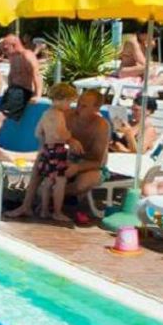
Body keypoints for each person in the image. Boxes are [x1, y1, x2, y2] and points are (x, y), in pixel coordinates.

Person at [17, 83, 79, 219]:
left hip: (46, 149)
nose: (69, 106)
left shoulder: (46, 113)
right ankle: (57, 212)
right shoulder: (58, 115)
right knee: (60, 181)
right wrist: (69, 135)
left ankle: (44, 210)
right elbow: (59, 135)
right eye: (70, 102)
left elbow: (38, 133)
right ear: (63, 99)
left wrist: (45, 142)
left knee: (48, 181)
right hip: (57, 150)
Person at [60, 88, 113, 224]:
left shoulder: (101, 126)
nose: (78, 108)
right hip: (69, 158)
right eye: (78, 103)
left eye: (84, 106)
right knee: (47, 156)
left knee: (82, 184)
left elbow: (98, 162)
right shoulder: (69, 116)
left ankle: (54, 195)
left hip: (91, 165)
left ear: (96, 108)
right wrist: (69, 139)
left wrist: (77, 168)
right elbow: (51, 135)